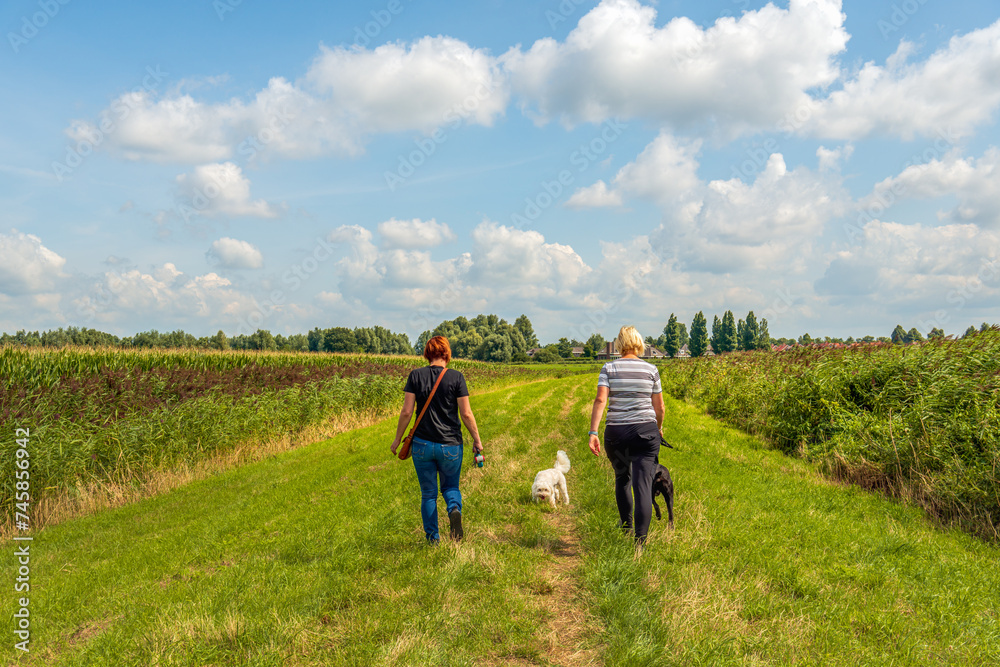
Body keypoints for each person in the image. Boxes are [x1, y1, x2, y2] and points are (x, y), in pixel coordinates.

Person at [391, 336, 483, 544]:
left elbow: (407, 412)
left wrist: (397, 440)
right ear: (447, 354)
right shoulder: (457, 377)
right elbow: (466, 414)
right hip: (450, 445)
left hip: (422, 445)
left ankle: (433, 539)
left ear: (427, 353)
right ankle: (453, 509)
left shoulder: (415, 375)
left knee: (428, 494)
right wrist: (477, 440)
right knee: (451, 487)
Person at [587, 325, 665, 551]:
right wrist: (658, 427)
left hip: (617, 432)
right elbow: (659, 406)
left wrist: (593, 432)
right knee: (642, 484)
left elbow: (600, 401)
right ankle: (640, 544)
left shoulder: (608, 368)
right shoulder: (651, 369)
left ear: (619, 345)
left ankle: (626, 527)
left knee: (623, 479)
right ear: (640, 343)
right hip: (645, 432)